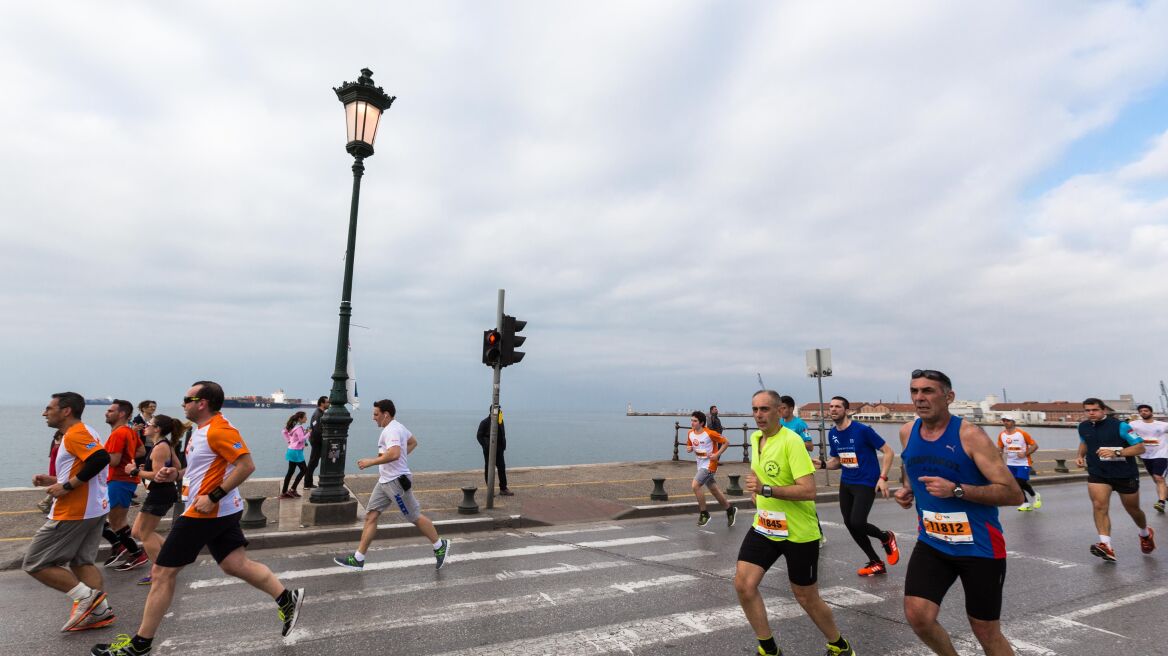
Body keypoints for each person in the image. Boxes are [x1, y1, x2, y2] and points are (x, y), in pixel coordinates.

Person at [91, 381, 305, 656]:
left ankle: (139, 646)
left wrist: (213, 496)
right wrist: (175, 475)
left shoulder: (220, 430)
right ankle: (286, 598)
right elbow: (199, 470)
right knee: (234, 563)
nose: (182, 403)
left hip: (205, 512)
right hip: (219, 510)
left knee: (162, 573)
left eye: (186, 398)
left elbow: (246, 465)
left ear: (202, 402)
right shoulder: (200, 431)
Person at [893, 369, 1022, 656]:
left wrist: (958, 490)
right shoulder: (907, 432)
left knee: (986, 631)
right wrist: (908, 489)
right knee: (918, 616)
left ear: (948, 397)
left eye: (928, 391)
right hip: (932, 542)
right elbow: (910, 465)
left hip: (979, 547)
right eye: (914, 391)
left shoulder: (970, 436)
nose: (919, 398)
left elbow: (1013, 493)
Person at [735, 390, 855, 656]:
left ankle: (839, 644)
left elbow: (809, 490)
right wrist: (755, 491)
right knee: (744, 584)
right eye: (755, 409)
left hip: (798, 532)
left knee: (805, 596)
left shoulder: (792, 442)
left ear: (780, 411)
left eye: (764, 409)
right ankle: (768, 648)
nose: (758, 415)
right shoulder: (756, 439)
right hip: (766, 526)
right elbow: (756, 470)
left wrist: (766, 490)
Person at [26, 392, 115, 632]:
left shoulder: (75, 433)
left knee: (35, 562)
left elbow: (100, 459)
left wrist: (66, 486)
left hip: (74, 511)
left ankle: (85, 598)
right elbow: (88, 467)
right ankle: (100, 611)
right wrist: (54, 480)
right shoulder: (88, 432)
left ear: (66, 411)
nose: (45, 413)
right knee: (82, 562)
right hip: (94, 507)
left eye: (49, 408)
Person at [334, 399, 450, 571]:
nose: (373, 418)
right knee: (371, 516)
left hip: (396, 482)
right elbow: (412, 442)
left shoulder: (392, 430)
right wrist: (400, 458)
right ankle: (359, 559)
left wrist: (371, 462)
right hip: (384, 482)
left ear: (385, 414)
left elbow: (395, 453)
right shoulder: (398, 427)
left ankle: (439, 545)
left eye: (376, 414)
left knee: (414, 516)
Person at [815, 396, 899, 576]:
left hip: (866, 482)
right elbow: (837, 461)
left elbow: (888, 451)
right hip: (847, 482)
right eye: (831, 407)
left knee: (858, 521)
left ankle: (886, 537)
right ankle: (876, 562)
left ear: (846, 410)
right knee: (850, 524)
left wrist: (883, 477)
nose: (833, 409)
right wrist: (822, 465)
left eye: (838, 406)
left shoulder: (862, 430)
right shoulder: (833, 433)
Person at [1075, 397, 1155, 561]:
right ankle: (1106, 545)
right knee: (1099, 506)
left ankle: (1145, 533)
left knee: (1133, 509)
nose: (1091, 413)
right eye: (1088, 410)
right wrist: (1079, 456)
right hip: (1098, 473)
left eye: (1095, 410)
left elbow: (1140, 447)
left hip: (1124, 473)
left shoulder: (1121, 426)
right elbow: (1084, 442)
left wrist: (1117, 453)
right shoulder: (1083, 426)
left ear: (1104, 410)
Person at [124, 415, 186, 585]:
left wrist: (135, 471)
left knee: (145, 533)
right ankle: (173, 556)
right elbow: (177, 467)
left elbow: (158, 477)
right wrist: (148, 468)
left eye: (149, 424)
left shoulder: (160, 447)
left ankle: (160, 572)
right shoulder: (165, 444)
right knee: (137, 532)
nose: (145, 426)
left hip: (160, 493)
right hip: (161, 493)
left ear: (157, 429)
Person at [102, 400, 147, 571]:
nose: (106, 413)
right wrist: (128, 457)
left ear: (121, 414)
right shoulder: (129, 431)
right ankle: (121, 547)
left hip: (119, 480)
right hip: (124, 481)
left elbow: (113, 460)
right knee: (110, 519)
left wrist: (96, 456)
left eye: (110, 410)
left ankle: (135, 553)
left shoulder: (118, 434)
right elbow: (141, 451)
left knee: (113, 520)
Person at [686, 410, 736, 527]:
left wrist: (717, 454)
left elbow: (726, 442)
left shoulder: (710, 433)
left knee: (695, 485)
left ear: (702, 423)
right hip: (700, 465)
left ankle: (704, 513)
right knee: (714, 490)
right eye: (691, 420)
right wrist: (689, 449)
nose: (692, 423)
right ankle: (730, 509)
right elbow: (690, 445)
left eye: (695, 421)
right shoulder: (690, 433)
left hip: (710, 465)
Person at [996, 416, 1041, 511]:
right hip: (1011, 463)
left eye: (1008, 420)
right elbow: (1000, 448)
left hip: (1023, 462)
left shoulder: (1022, 433)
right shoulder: (1001, 435)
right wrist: (998, 459)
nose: (1005, 422)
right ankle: (1025, 503)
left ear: (1013, 422)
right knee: (1015, 485)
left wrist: (1025, 453)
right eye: (1004, 421)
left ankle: (1035, 495)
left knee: (1020, 481)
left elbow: (1035, 446)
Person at [1129, 404, 1167, 512]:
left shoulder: (1162, 425)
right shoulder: (1134, 424)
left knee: (1158, 477)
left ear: (1151, 412)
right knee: (1156, 479)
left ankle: (1161, 502)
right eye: (1141, 411)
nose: (1143, 412)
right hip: (1145, 455)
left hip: (1161, 454)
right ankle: (1165, 495)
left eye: (1146, 410)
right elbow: (1124, 432)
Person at [476, 409, 512, 496]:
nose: (499, 412)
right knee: (489, 469)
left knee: (502, 468)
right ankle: (490, 490)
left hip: (499, 449)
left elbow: (502, 434)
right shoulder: (484, 422)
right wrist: (485, 445)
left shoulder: (500, 421)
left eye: (499, 411)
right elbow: (479, 436)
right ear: (491, 411)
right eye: (497, 410)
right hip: (489, 450)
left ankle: (503, 489)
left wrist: (503, 446)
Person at [281, 411, 309, 498]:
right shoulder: (299, 428)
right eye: (305, 417)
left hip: (291, 450)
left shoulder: (294, 426)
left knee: (290, 471)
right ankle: (292, 489)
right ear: (300, 419)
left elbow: (284, 432)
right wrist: (309, 433)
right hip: (296, 452)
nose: (306, 419)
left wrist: (289, 441)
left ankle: (284, 492)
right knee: (304, 470)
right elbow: (301, 439)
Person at [303, 396, 328, 489]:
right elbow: (317, 429)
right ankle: (307, 483)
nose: (329, 404)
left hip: (317, 441)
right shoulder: (318, 414)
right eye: (327, 402)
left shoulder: (321, 413)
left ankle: (309, 482)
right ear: (322, 403)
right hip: (317, 441)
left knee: (314, 462)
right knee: (313, 462)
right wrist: (323, 439)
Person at [36, 429, 63, 515]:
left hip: (53, 467)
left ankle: (47, 504)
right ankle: (45, 503)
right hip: (56, 468)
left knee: (57, 485)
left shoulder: (54, 444)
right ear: (59, 436)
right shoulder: (59, 447)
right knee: (58, 485)